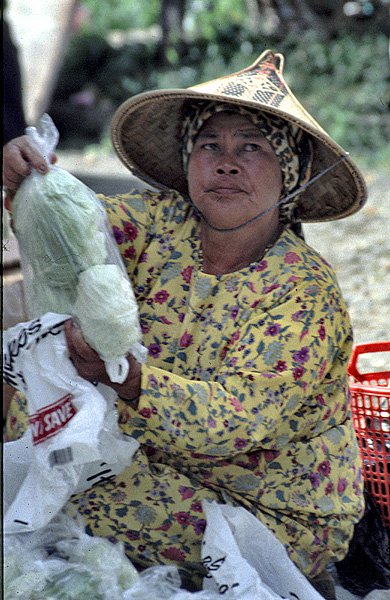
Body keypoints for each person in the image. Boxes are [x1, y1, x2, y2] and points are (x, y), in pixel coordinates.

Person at [3, 50, 367, 599]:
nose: (226, 163)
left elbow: (235, 420)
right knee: (30, 415)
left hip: (266, 507)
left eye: (252, 147)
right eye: (209, 145)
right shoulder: (162, 222)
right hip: (161, 459)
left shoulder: (303, 292)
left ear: (288, 174)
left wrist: (126, 378)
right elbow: (72, 229)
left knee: (65, 478)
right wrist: (28, 180)